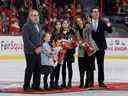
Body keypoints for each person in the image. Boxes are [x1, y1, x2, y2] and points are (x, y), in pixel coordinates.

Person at [90, 7, 112, 87]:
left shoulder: (102, 22)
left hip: (101, 47)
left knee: (100, 65)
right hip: (91, 48)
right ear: (91, 13)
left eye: (97, 12)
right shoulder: (88, 23)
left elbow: (110, 31)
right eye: (94, 12)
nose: (96, 13)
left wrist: (108, 23)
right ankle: (90, 82)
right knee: (91, 65)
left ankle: (101, 82)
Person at [22, 9, 43, 90]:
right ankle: (26, 86)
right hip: (30, 52)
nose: (36, 17)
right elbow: (26, 40)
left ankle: (36, 85)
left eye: (37, 15)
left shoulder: (39, 25)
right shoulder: (26, 26)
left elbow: (40, 38)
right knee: (30, 68)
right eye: (34, 15)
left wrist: (40, 46)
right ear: (30, 16)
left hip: (39, 51)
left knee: (38, 69)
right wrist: (35, 48)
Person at [75, 16, 96, 88]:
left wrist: (90, 21)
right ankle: (81, 82)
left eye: (80, 20)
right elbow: (78, 40)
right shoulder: (77, 31)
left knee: (88, 67)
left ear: (82, 20)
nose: (79, 22)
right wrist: (80, 43)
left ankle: (87, 82)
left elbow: (91, 29)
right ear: (76, 23)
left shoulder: (87, 27)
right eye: (77, 21)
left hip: (89, 50)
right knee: (81, 67)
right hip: (81, 51)